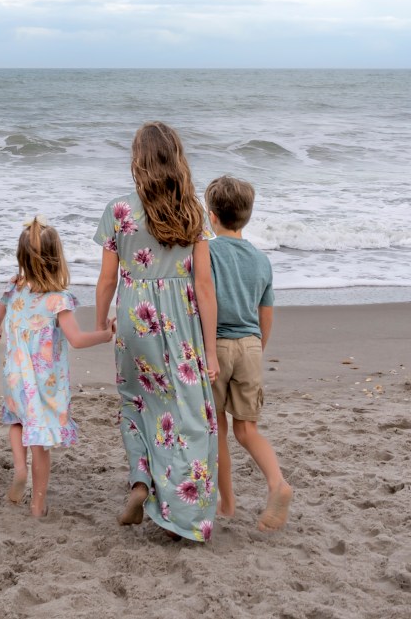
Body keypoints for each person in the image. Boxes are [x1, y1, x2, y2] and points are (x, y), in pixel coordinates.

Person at [93, 121, 220, 542]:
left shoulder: (119, 211)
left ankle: (140, 484)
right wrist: (212, 352)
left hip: (134, 317)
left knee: (135, 403)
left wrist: (101, 322)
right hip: (180, 321)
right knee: (184, 413)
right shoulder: (194, 213)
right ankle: (183, 515)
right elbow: (204, 286)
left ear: (138, 161)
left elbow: (107, 280)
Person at [0, 217, 116, 517]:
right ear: (57, 259)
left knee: (18, 421)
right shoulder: (59, 300)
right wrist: (106, 334)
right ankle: (38, 504)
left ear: (21, 258)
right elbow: (77, 339)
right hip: (45, 382)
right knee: (40, 442)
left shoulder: (14, 288)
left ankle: (20, 468)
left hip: (15, 375)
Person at [204, 175, 292, 531]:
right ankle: (277, 483)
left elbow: (202, 302)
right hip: (252, 347)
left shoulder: (205, 252)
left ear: (210, 215)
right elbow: (265, 314)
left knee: (218, 428)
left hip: (217, 346)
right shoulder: (261, 260)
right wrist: (256, 348)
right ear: (248, 216)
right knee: (247, 429)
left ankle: (227, 502)